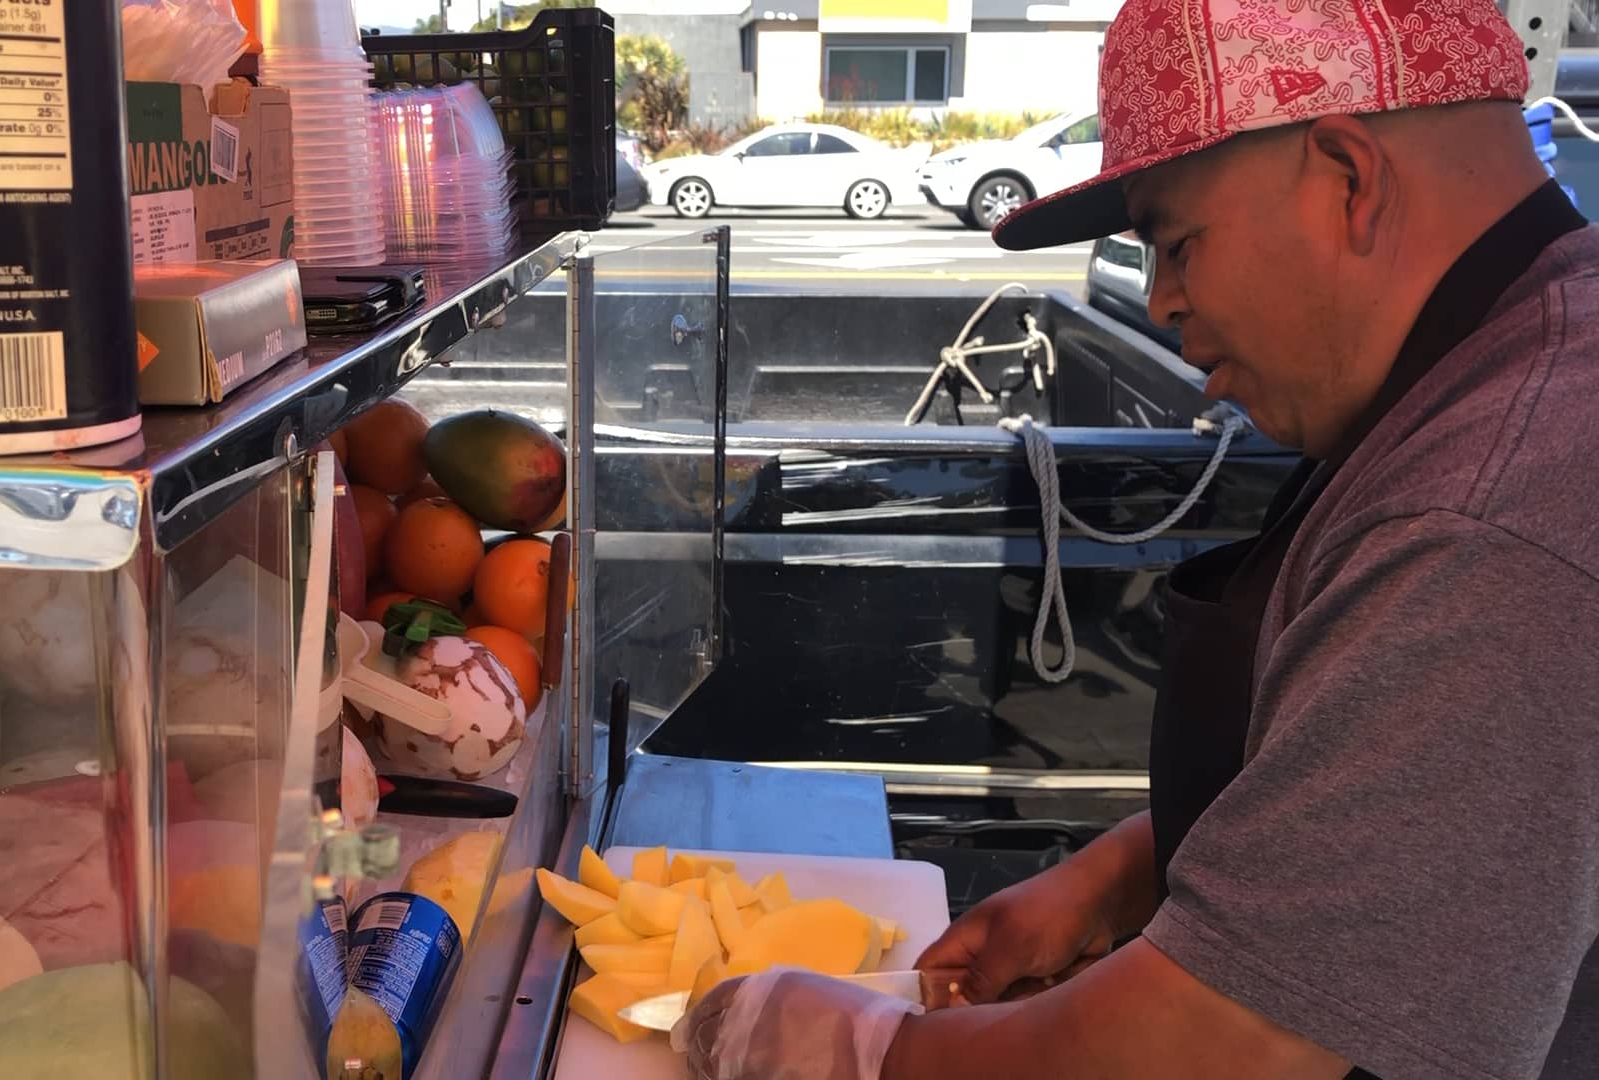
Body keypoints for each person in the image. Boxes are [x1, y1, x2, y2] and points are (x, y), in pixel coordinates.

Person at [679, 0, 1599, 1076]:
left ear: (1348, 176)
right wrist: (1117, 879)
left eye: (1174, 240)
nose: (1159, 300)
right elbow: (1412, 818)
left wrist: (866, 1050)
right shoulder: (1491, 368)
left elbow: (1229, 1043)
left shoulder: (1497, 506)